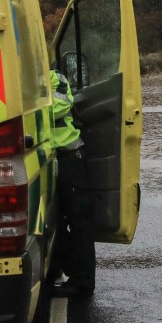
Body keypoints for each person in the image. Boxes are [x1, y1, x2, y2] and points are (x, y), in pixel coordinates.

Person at [49, 68, 96, 299]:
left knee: (79, 221)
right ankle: (60, 266)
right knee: (53, 220)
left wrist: (28, 107)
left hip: (69, 158)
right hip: (48, 161)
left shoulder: (54, 77)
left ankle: (82, 282)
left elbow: (60, 106)